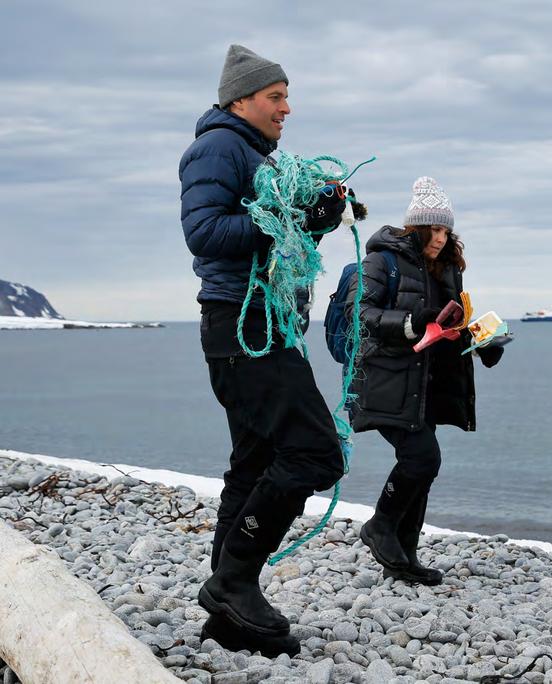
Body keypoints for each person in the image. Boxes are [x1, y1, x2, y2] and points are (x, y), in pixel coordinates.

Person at [178, 44, 347, 656]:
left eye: (285, 96)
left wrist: (315, 215)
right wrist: (287, 214)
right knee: (314, 452)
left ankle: (229, 619)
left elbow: (273, 231)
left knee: (253, 463)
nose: (287, 108)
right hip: (241, 326)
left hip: (263, 324)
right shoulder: (217, 147)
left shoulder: (252, 153)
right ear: (240, 99)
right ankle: (234, 581)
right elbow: (204, 232)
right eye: (276, 97)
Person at [344, 177, 503, 585]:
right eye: (433, 228)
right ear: (415, 227)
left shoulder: (447, 269)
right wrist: (414, 322)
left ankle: (405, 558)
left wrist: (481, 342)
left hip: (427, 385)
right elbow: (359, 316)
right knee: (422, 459)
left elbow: (450, 324)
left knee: (422, 467)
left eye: (446, 229)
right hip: (387, 381)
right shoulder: (382, 261)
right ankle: (380, 526)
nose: (440, 237)